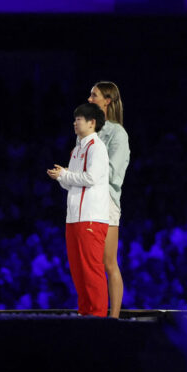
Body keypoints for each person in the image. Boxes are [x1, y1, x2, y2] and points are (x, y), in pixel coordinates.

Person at [47, 103, 110, 317]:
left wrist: (66, 175)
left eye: (79, 119)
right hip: (74, 218)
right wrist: (61, 176)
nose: (75, 122)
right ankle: (85, 314)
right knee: (78, 271)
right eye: (74, 119)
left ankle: (99, 317)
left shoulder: (97, 147)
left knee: (91, 270)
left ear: (92, 123)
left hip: (91, 218)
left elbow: (91, 178)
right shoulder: (77, 149)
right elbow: (70, 183)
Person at [87, 82, 130, 319]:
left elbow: (114, 174)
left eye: (94, 95)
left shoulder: (117, 133)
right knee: (89, 264)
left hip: (106, 203)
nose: (89, 98)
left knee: (108, 262)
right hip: (86, 205)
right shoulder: (87, 132)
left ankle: (113, 318)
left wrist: (87, 171)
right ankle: (94, 312)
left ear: (107, 101)